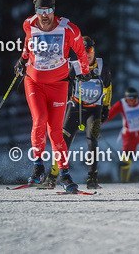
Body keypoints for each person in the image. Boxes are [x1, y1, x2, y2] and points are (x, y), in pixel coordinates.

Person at [14, 0, 91, 193]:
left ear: (53, 10)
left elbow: (81, 51)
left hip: (59, 84)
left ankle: (64, 175)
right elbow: (28, 43)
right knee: (39, 120)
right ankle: (38, 168)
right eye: (40, 10)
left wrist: (84, 72)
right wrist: (22, 59)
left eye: (48, 10)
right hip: (34, 82)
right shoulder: (28, 24)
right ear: (36, 11)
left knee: (55, 131)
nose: (44, 15)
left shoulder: (68, 29)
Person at [43, 35, 113, 190]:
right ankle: (52, 177)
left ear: (94, 51)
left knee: (92, 142)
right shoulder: (73, 67)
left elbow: (108, 88)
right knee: (62, 143)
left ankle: (92, 179)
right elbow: (59, 85)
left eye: (90, 50)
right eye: (84, 50)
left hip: (94, 110)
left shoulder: (102, 66)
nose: (87, 54)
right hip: (75, 109)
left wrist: (106, 108)